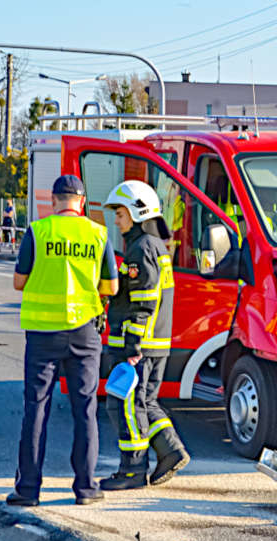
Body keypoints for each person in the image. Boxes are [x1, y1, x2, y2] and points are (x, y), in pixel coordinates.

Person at [7, 175, 119, 507]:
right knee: (85, 409)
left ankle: (28, 490)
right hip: (85, 333)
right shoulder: (98, 235)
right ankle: (85, 488)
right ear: (81, 203)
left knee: (36, 408)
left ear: (54, 201)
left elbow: (18, 281)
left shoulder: (38, 232)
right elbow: (111, 287)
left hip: (43, 334)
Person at [99, 179, 189, 490]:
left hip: (141, 345)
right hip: (154, 344)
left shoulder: (141, 249)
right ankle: (170, 451)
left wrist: (132, 343)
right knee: (146, 403)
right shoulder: (154, 247)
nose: (117, 220)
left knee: (124, 404)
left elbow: (144, 302)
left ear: (138, 214)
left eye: (121, 214)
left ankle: (132, 471)